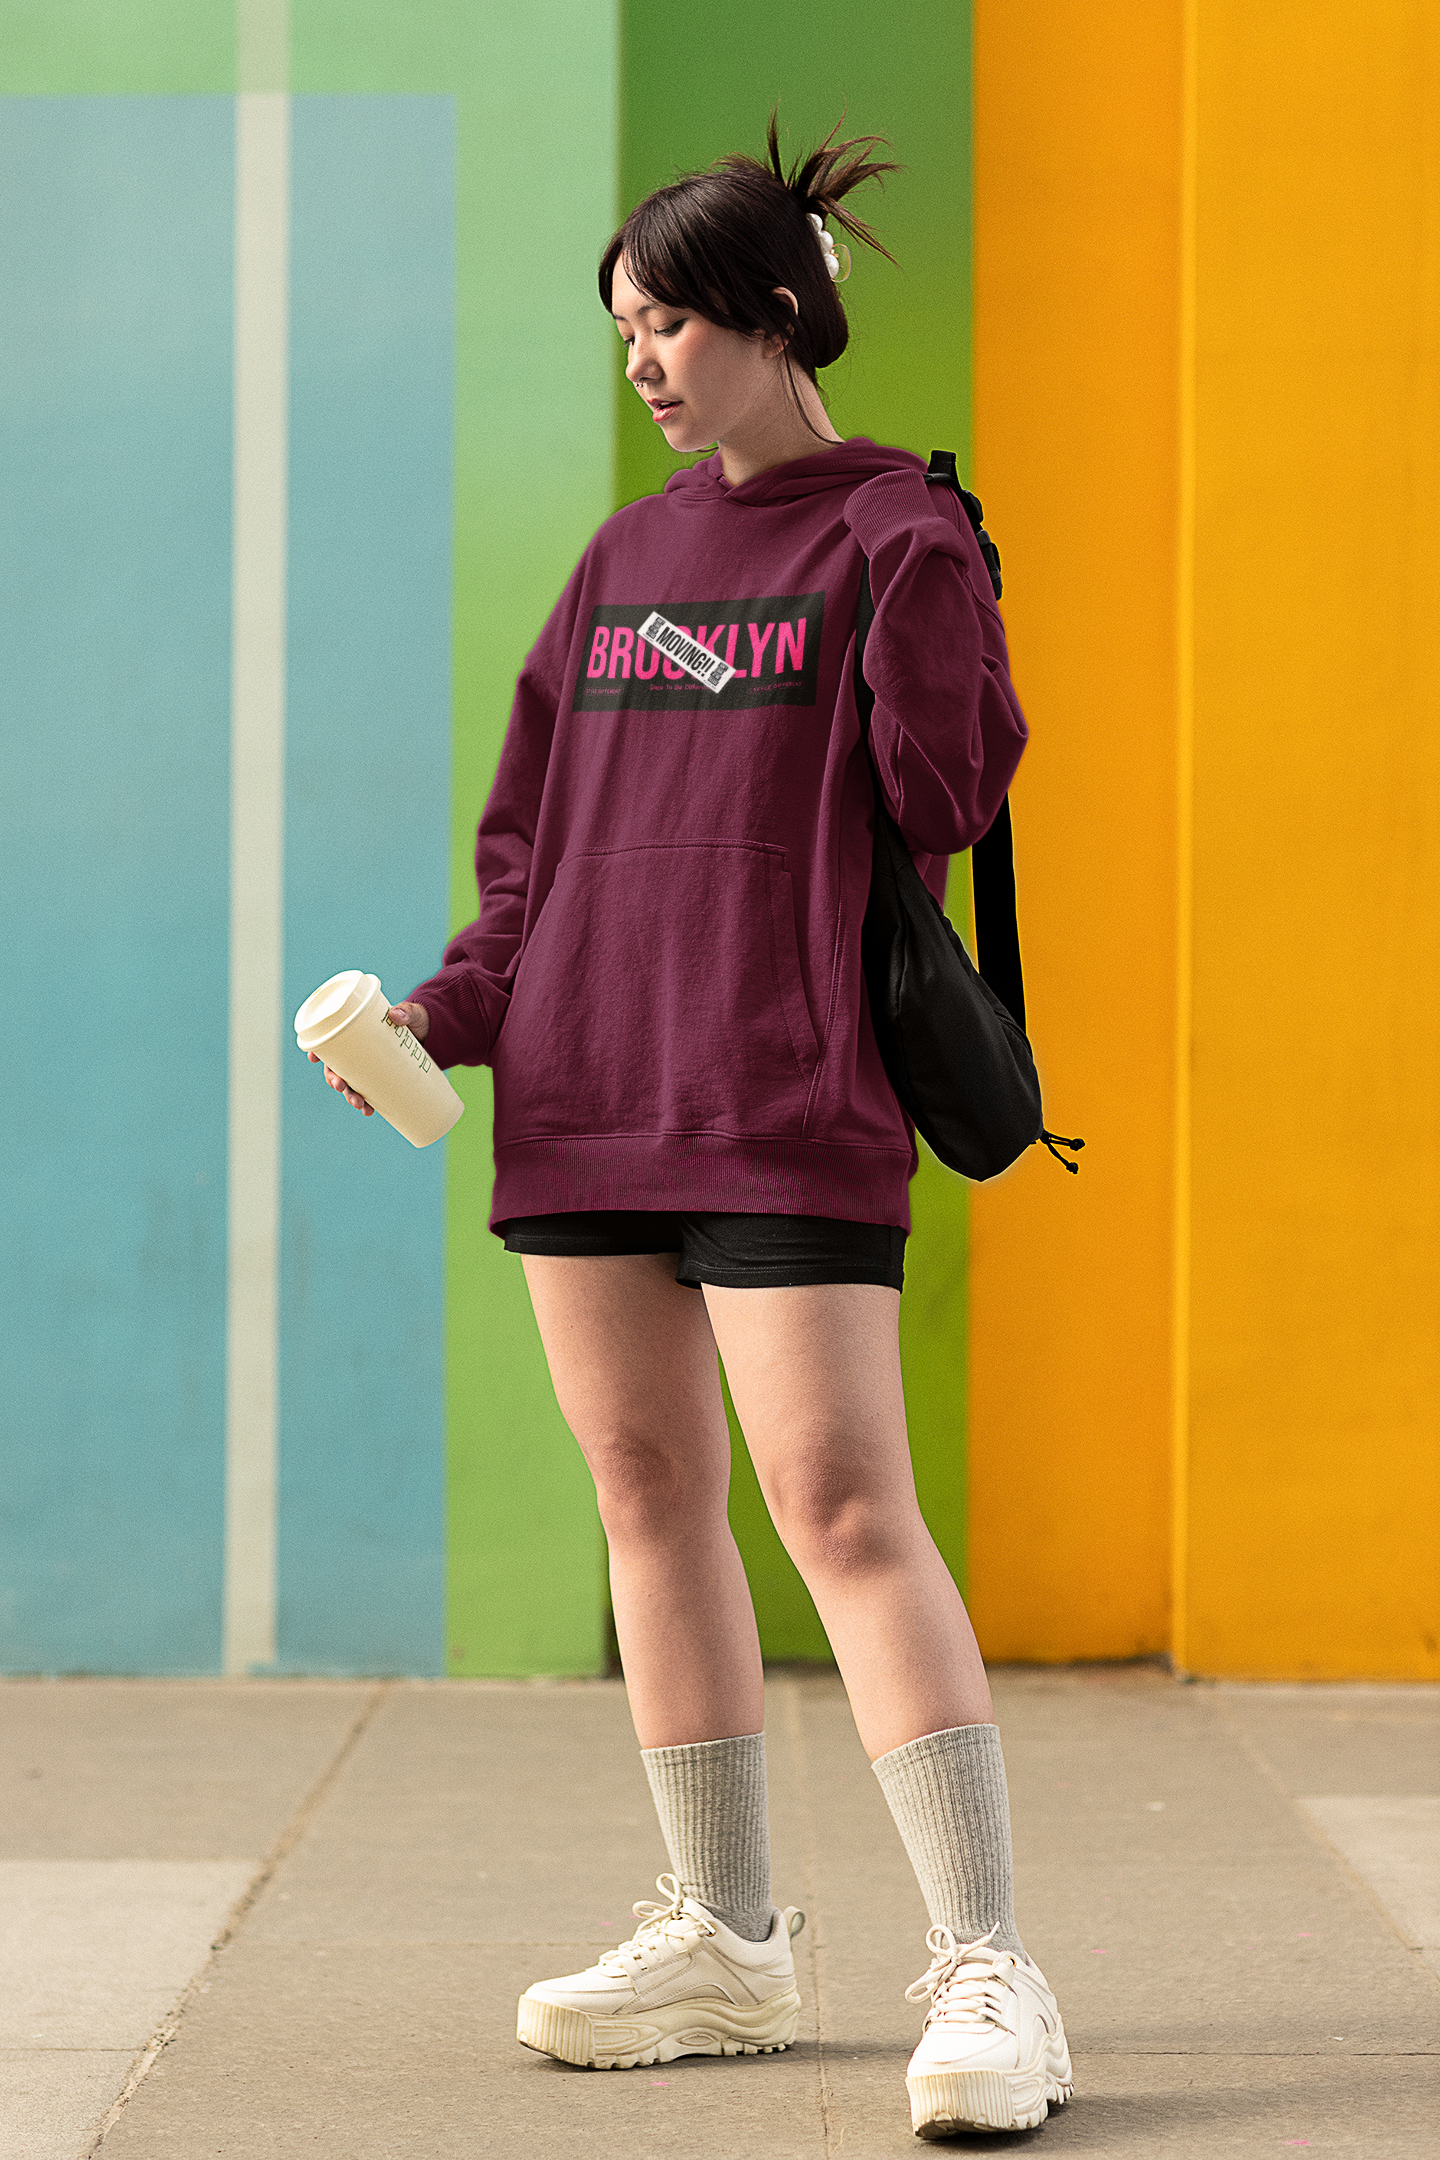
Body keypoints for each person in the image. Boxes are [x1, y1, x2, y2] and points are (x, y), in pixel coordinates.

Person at [312, 116, 1072, 2142]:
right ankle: (728, 1938)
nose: (641, 362)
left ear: (775, 315)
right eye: (622, 331)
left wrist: (931, 568)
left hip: (785, 1094)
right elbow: (531, 856)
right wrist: (442, 1018)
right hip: (582, 1101)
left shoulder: (893, 530)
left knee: (841, 1506)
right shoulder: (623, 565)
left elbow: (950, 797)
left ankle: (988, 1965)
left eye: (666, 323)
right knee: (650, 1496)